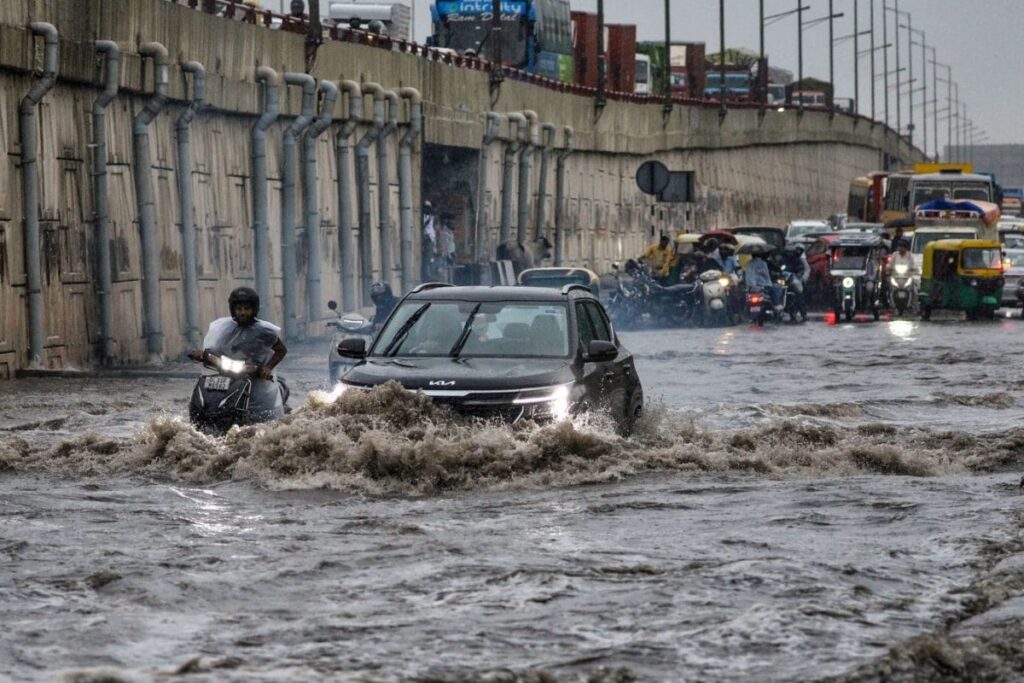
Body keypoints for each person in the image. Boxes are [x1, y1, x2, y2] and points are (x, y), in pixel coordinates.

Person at [189, 287, 286, 381]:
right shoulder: (224, 328)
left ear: (254, 309)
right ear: (233, 310)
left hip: (255, 376)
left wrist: (268, 368)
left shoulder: (264, 331)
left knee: (262, 397)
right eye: (239, 309)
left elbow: (281, 350)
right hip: (227, 372)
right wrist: (202, 354)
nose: (242, 312)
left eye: (247, 308)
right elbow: (214, 348)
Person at [781, 244, 810, 321]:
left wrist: (798, 274)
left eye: (791, 252)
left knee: (799, 295)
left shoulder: (797, 260)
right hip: (783, 281)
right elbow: (778, 267)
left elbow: (801, 269)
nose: (789, 253)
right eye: (788, 252)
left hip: (794, 281)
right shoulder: (782, 259)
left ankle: (803, 314)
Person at [421, 201, 437, 282]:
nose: (427, 210)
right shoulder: (422, 217)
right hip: (426, 238)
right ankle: (427, 275)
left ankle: (429, 274)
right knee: (427, 259)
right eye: (426, 208)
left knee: (430, 258)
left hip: (431, 239)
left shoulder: (431, 217)